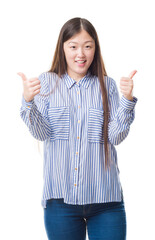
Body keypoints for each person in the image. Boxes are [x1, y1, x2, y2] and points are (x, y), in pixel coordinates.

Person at [18, 17, 137, 240]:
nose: (80, 54)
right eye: (73, 46)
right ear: (62, 48)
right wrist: (28, 102)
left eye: (87, 46)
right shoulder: (46, 82)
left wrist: (127, 100)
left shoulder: (107, 85)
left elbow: (116, 136)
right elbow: (42, 133)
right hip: (60, 202)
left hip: (106, 201)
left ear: (95, 49)